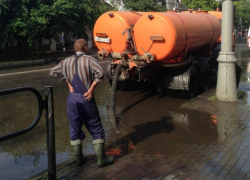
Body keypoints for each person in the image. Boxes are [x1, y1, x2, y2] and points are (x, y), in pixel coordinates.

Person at [49, 38, 114, 167]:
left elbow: (52, 72)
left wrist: (67, 82)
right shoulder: (90, 60)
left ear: (75, 48)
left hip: (72, 100)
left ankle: (79, 160)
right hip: (86, 98)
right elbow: (100, 73)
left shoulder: (66, 61)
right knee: (96, 129)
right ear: (85, 48)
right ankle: (102, 160)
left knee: (74, 129)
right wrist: (91, 88)